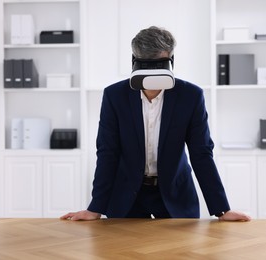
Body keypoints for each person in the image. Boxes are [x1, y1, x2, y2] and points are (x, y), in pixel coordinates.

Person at [61, 26, 251, 221]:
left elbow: (201, 153)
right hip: (127, 196)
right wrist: (95, 208)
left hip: (175, 194)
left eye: (158, 65)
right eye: (146, 65)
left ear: (171, 61)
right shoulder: (114, 96)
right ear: (134, 61)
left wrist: (222, 210)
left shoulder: (191, 96)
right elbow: (107, 152)